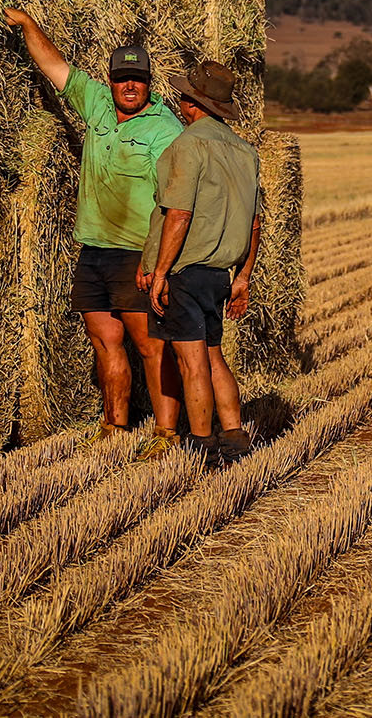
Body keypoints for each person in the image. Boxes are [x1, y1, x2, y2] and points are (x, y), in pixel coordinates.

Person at [4, 9, 185, 449]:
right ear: (110, 79)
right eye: (121, 77)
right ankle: (114, 425)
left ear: (148, 83)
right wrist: (29, 25)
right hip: (93, 250)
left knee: (150, 345)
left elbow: (178, 200)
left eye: (137, 79)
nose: (128, 85)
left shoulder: (165, 129)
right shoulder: (97, 103)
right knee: (105, 341)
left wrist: (157, 262)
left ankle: (165, 433)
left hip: (136, 252)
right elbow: (54, 66)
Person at [141, 58, 262, 467]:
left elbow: (178, 214)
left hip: (187, 272)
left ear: (192, 104)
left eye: (183, 97)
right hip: (219, 275)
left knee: (192, 362)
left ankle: (203, 445)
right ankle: (235, 434)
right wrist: (243, 277)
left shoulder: (188, 145)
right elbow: (255, 221)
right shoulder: (245, 152)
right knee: (213, 356)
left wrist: (159, 272)